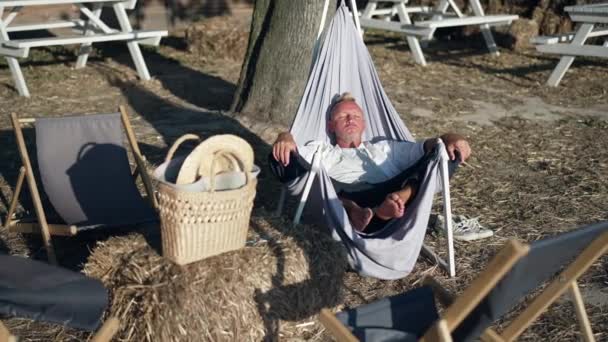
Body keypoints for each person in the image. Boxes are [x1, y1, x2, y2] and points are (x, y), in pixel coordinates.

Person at [269, 93, 471, 233]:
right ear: (330, 125)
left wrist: (451, 137)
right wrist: (284, 136)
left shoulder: (385, 148)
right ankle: (366, 212)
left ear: (364, 124)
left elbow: (429, 147)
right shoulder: (321, 150)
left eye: (355, 115)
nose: (350, 119)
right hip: (342, 195)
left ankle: (396, 200)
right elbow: (289, 157)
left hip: (389, 191)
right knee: (290, 166)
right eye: (342, 116)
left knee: (444, 156)